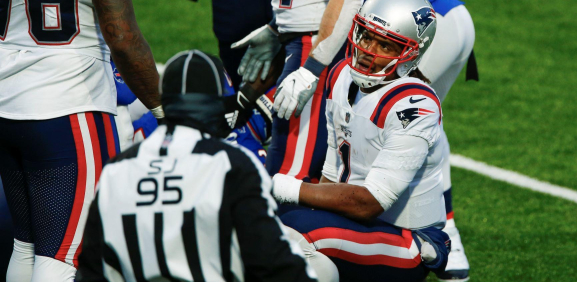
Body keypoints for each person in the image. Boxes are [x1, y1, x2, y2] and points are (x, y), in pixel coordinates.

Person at [76, 50, 318, 282]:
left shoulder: (117, 170)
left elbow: (92, 269)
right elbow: (278, 264)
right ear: (218, 103)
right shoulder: (231, 164)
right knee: (323, 269)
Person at [271, 0, 451, 281]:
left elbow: (369, 202)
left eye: (385, 45)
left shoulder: (415, 106)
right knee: (277, 222)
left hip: (408, 238)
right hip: (360, 225)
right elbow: (332, 174)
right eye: (367, 36)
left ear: (410, 53)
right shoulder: (341, 74)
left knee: (295, 231)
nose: (368, 51)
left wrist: (284, 187)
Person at [0, 0, 162, 280]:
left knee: (26, 245)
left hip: (6, 96)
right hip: (68, 99)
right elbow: (122, 39)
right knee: (68, 255)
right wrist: (163, 108)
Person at [231, 0, 360, 185]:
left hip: (317, 46)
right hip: (303, 42)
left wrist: (312, 68)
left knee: (291, 177)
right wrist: (277, 26)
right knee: (286, 170)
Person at [418, 1, 476, 279]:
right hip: (449, 19)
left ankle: (442, 233)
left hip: (432, 23)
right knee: (425, 120)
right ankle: (447, 233)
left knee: (405, 114)